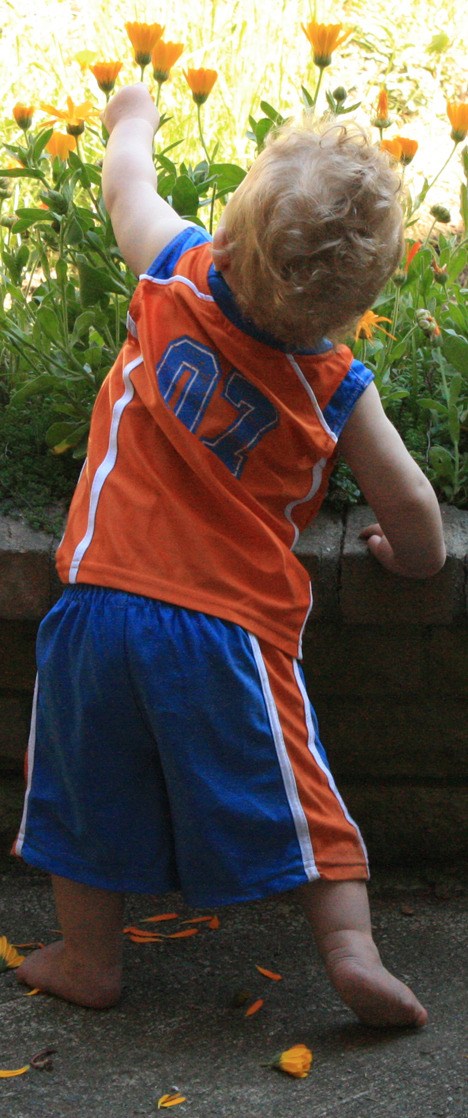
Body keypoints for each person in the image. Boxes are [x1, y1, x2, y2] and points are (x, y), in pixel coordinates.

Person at [14, 85, 446, 1023]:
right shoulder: (335, 382)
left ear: (234, 226)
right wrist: (411, 563)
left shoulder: (175, 267)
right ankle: (349, 949)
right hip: (229, 630)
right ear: (365, 297)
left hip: (94, 603)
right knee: (302, 799)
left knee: (81, 794)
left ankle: (89, 959)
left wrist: (133, 119)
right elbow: (414, 510)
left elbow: (126, 186)